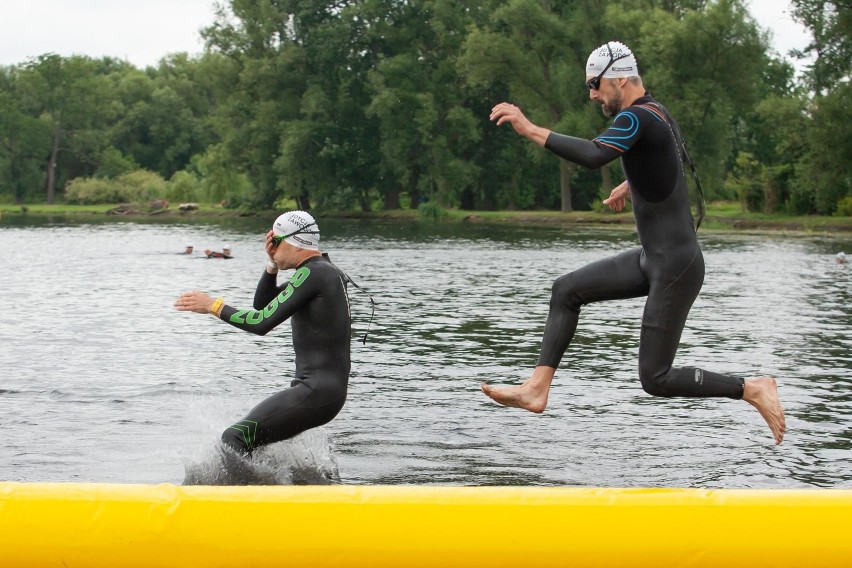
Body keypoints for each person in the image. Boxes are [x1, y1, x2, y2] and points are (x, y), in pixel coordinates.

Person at [482, 41, 786, 445]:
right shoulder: (658, 113)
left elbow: (593, 154)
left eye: (595, 84)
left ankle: (752, 387)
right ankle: (537, 388)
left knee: (655, 378)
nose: (592, 95)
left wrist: (528, 127)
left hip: (675, 266)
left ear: (619, 77)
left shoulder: (637, 117)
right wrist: (634, 182)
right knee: (566, 290)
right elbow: (667, 159)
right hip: (654, 259)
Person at [175, 211, 352, 456]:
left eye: (276, 242)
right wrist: (272, 265)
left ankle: (243, 494)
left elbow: (261, 322)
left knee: (233, 438)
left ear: (294, 241)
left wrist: (212, 306)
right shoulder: (321, 271)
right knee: (249, 441)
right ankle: (282, 486)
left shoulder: (314, 274)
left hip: (316, 392)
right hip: (321, 393)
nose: (273, 247)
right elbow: (263, 304)